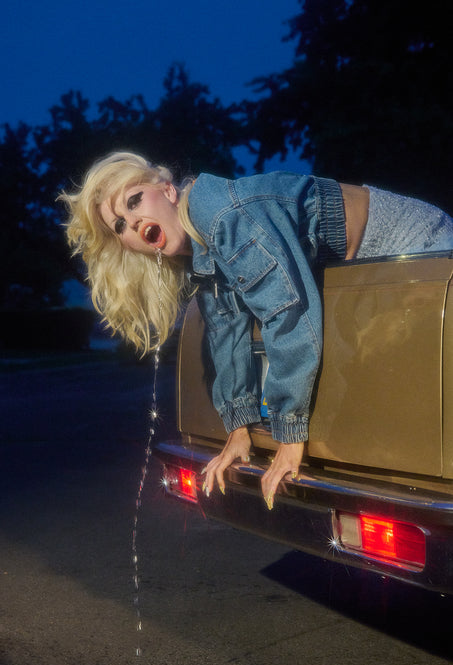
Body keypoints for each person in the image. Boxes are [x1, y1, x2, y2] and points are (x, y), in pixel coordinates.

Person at [60, 152, 453, 509]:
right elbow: (226, 331)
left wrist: (289, 432)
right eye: (121, 226)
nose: (134, 222)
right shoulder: (202, 248)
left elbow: (288, 312)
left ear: (167, 190)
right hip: (357, 264)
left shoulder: (223, 216)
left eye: (134, 201)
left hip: (408, 237)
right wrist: (238, 428)